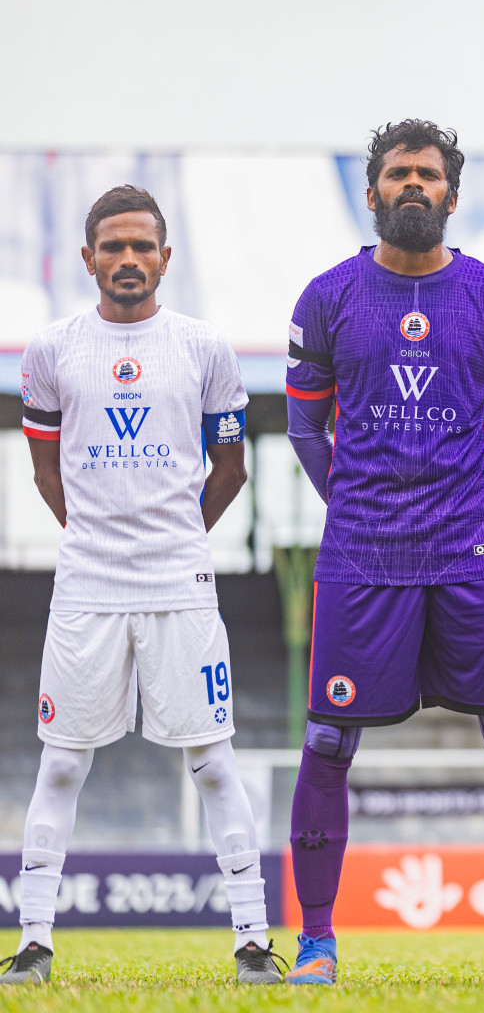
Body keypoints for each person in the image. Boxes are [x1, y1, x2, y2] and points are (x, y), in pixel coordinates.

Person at [283, 120, 484, 986]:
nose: (414, 185)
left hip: (471, 553)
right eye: (398, 173)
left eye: (428, 175)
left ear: (451, 193)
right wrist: (365, 504)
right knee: (328, 743)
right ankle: (318, 942)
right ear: (371, 193)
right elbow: (302, 426)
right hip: (363, 557)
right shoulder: (328, 295)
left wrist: (457, 494)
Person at [3, 186, 282, 985]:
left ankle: (253, 941)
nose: (128, 260)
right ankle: (33, 942)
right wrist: (99, 535)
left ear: (166, 256)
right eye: (112, 248)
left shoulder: (203, 348)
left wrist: (175, 535)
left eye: (142, 247)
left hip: (181, 584)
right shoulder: (52, 350)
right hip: (86, 583)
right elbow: (45, 470)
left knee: (215, 762)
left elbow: (231, 466)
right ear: (88, 258)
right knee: (60, 764)